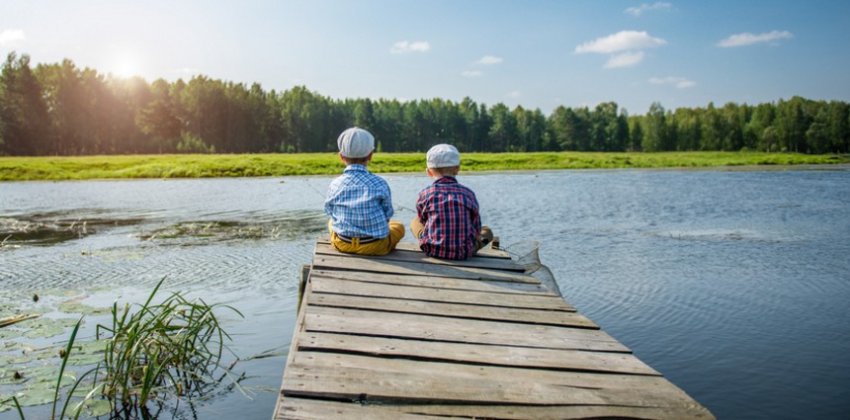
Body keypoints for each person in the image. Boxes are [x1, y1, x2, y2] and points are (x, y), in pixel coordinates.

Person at [324, 127, 404, 256]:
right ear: (370, 155)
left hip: (342, 244)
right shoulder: (379, 183)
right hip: (375, 246)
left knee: (330, 222)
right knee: (399, 226)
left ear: (341, 156)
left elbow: (329, 210)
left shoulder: (334, 184)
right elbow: (387, 214)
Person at [410, 144, 493, 260]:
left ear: (429, 172)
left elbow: (423, 220)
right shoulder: (468, 193)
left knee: (415, 221)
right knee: (487, 232)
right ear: (457, 169)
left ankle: (428, 241)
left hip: (432, 250)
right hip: (463, 252)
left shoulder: (425, 194)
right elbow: (476, 227)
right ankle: (474, 246)